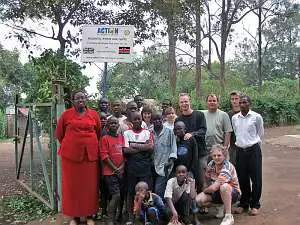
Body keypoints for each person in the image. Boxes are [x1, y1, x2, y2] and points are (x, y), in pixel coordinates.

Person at [56, 90, 101, 225]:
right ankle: (74, 217)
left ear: (86, 99)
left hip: (90, 158)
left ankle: (89, 216)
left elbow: (98, 132)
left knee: (90, 187)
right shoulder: (65, 115)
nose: (81, 100)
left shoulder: (94, 114)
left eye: (83, 97)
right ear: (72, 101)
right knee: (73, 187)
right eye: (78, 98)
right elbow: (60, 134)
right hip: (71, 159)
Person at [232, 96, 264, 216]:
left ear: (249, 104)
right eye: (240, 103)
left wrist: (251, 143)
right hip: (240, 151)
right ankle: (244, 203)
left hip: (253, 151)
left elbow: (260, 133)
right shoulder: (235, 118)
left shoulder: (256, 117)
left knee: (256, 178)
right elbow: (236, 133)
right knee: (242, 178)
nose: (241, 104)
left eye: (244, 102)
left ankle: (255, 204)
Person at [196, 145, 241, 225]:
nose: (216, 157)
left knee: (224, 186)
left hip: (233, 193)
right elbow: (207, 181)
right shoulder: (211, 164)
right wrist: (205, 192)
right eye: (214, 155)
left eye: (219, 155)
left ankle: (228, 216)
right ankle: (220, 206)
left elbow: (213, 188)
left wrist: (205, 191)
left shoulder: (227, 167)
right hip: (218, 191)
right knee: (198, 199)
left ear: (224, 155)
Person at [123, 111, 154, 224]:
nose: (137, 121)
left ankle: (145, 217)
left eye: (139, 119)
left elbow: (151, 147)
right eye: (135, 119)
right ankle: (131, 217)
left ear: (141, 120)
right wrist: (143, 147)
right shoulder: (127, 133)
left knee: (146, 191)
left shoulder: (147, 132)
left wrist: (134, 145)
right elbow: (125, 150)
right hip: (132, 167)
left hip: (145, 167)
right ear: (131, 121)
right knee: (131, 192)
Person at [175, 93, 207, 192]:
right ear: (179, 104)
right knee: (186, 179)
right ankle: (189, 203)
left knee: (200, 179)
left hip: (200, 153)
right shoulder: (178, 119)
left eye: (186, 101)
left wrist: (192, 134)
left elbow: (203, 130)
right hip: (185, 155)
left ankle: (201, 203)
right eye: (182, 102)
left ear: (190, 101)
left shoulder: (199, 115)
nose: (184, 104)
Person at [100, 117, 125, 224]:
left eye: (116, 123)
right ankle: (110, 219)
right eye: (111, 123)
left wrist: (121, 168)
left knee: (120, 195)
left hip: (121, 172)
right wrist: (116, 169)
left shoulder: (122, 137)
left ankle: (116, 217)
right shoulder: (104, 139)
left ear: (118, 126)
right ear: (107, 126)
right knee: (116, 195)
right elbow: (104, 156)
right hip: (109, 173)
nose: (114, 125)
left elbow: (125, 154)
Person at [151, 111, 177, 198]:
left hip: (164, 166)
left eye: (159, 119)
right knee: (151, 189)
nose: (157, 121)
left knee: (159, 189)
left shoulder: (169, 132)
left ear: (162, 119)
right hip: (151, 166)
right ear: (151, 121)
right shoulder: (149, 133)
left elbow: (173, 148)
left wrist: (170, 161)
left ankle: (162, 209)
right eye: (154, 119)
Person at [227, 91, 240, 166]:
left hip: (245, 146)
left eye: (236, 98)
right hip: (233, 147)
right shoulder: (228, 115)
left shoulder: (245, 113)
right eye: (232, 99)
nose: (234, 101)